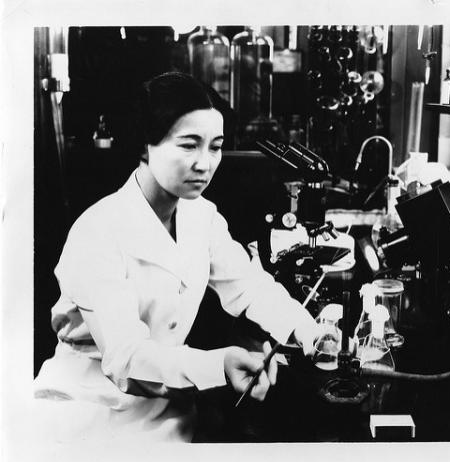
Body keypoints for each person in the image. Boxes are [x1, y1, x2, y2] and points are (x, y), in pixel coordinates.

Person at [33, 72, 319, 443]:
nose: (205, 163)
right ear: (144, 146)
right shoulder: (97, 233)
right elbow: (125, 358)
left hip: (171, 407)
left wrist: (308, 329)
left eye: (215, 146)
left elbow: (249, 288)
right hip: (90, 414)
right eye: (189, 145)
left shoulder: (201, 216)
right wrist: (219, 365)